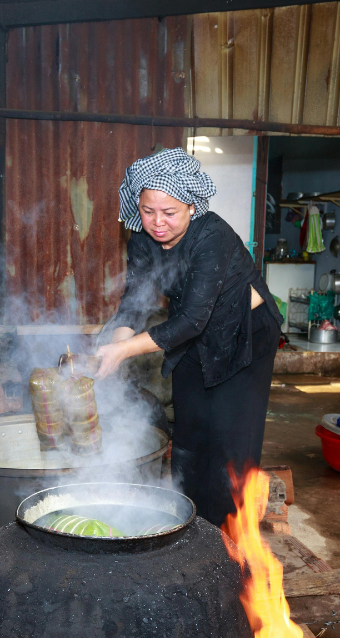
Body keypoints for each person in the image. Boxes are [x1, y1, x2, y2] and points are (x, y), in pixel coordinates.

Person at [95, 148, 283, 527]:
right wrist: (115, 347)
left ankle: (230, 541)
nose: (157, 223)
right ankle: (190, 529)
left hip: (244, 334)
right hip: (193, 332)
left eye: (169, 213)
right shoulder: (144, 241)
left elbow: (194, 319)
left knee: (230, 444)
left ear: (192, 207)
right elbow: (134, 300)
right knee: (190, 437)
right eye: (148, 211)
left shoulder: (213, 236)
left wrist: (125, 350)